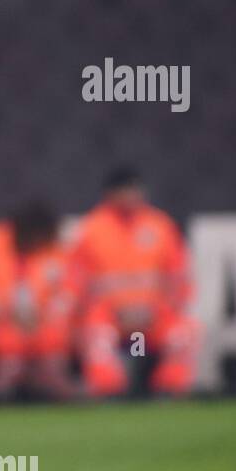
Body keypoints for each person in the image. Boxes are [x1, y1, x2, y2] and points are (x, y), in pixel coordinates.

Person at [72, 168, 198, 397]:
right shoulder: (92, 229)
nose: (132, 196)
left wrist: (159, 308)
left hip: (155, 314)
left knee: (183, 331)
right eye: (125, 190)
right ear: (110, 194)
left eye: (135, 189)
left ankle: (170, 391)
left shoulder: (160, 225)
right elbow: (78, 283)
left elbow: (179, 279)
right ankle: (108, 393)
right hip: (109, 315)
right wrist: (115, 309)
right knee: (97, 333)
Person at [0, 202, 78, 401]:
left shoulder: (53, 247)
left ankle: (52, 387)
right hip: (0, 324)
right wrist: (7, 314)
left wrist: (43, 315)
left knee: (52, 353)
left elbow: (68, 291)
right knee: (9, 357)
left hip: (43, 324)